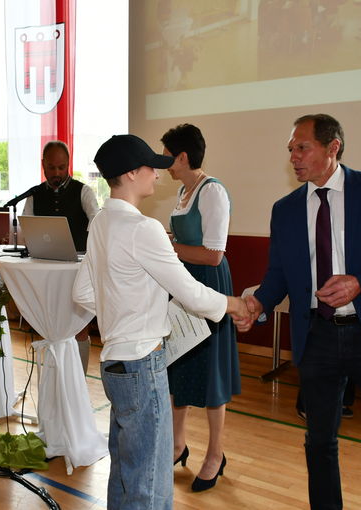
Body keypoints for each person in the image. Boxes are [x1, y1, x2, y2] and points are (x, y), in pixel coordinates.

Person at [238, 114, 361, 509]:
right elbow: (278, 274)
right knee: (319, 441)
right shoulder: (286, 209)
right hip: (318, 337)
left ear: (333, 148)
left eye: (301, 147)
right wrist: (259, 303)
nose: (293, 156)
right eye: (290, 149)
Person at [73, 134, 248, 510]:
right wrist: (235, 304)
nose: (157, 173)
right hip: (142, 363)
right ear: (132, 174)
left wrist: (125, 308)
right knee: (148, 482)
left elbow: (83, 294)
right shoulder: (144, 229)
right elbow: (191, 292)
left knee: (125, 470)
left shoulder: (101, 223)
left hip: (113, 364)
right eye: (151, 167)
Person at [160, 123, 240, 492]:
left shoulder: (213, 191)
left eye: (167, 157)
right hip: (183, 285)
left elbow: (213, 255)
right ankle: (178, 444)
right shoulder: (182, 190)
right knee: (179, 365)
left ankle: (215, 453)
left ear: (183, 156)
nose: (164, 164)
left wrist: (167, 248)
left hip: (207, 285)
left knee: (210, 373)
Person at [22, 140, 99, 374]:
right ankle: (56, 378)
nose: (57, 173)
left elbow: (98, 222)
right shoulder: (34, 195)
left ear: (68, 165)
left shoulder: (83, 191)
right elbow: (26, 226)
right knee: (51, 327)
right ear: (43, 165)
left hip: (78, 271)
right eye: (52, 167)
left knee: (80, 327)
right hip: (46, 273)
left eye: (62, 167)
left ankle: (79, 380)